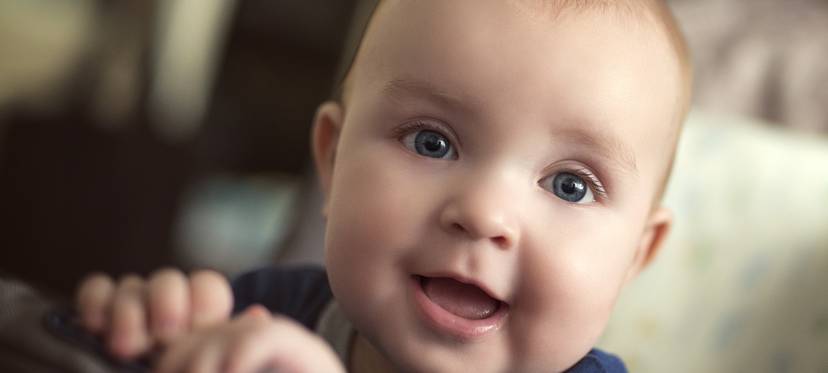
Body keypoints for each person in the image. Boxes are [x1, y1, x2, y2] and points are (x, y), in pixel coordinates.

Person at [74, 0, 692, 371]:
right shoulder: (266, 311)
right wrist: (149, 335)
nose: (484, 213)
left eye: (570, 186)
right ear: (333, 159)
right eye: (432, 142)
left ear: (636, 255)